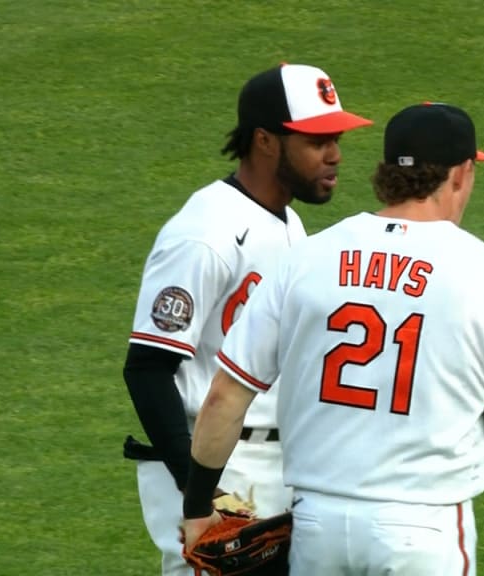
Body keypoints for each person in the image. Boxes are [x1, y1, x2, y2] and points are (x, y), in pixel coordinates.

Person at [180, 102, 484, 575]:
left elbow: (224, 397)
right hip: (422, 533)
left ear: (388, 173)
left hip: (318, 529)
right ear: (461, 174)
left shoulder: (306, 259)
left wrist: (196, 508)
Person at [121, 62, 372, 575]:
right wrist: (201, 494)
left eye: (336, 138)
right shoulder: (206, 232)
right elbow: (146, 368)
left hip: (280, 464)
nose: (335, 154)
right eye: (316, 140)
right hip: (214, 464)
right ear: (265, 141)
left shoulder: (288, 223)